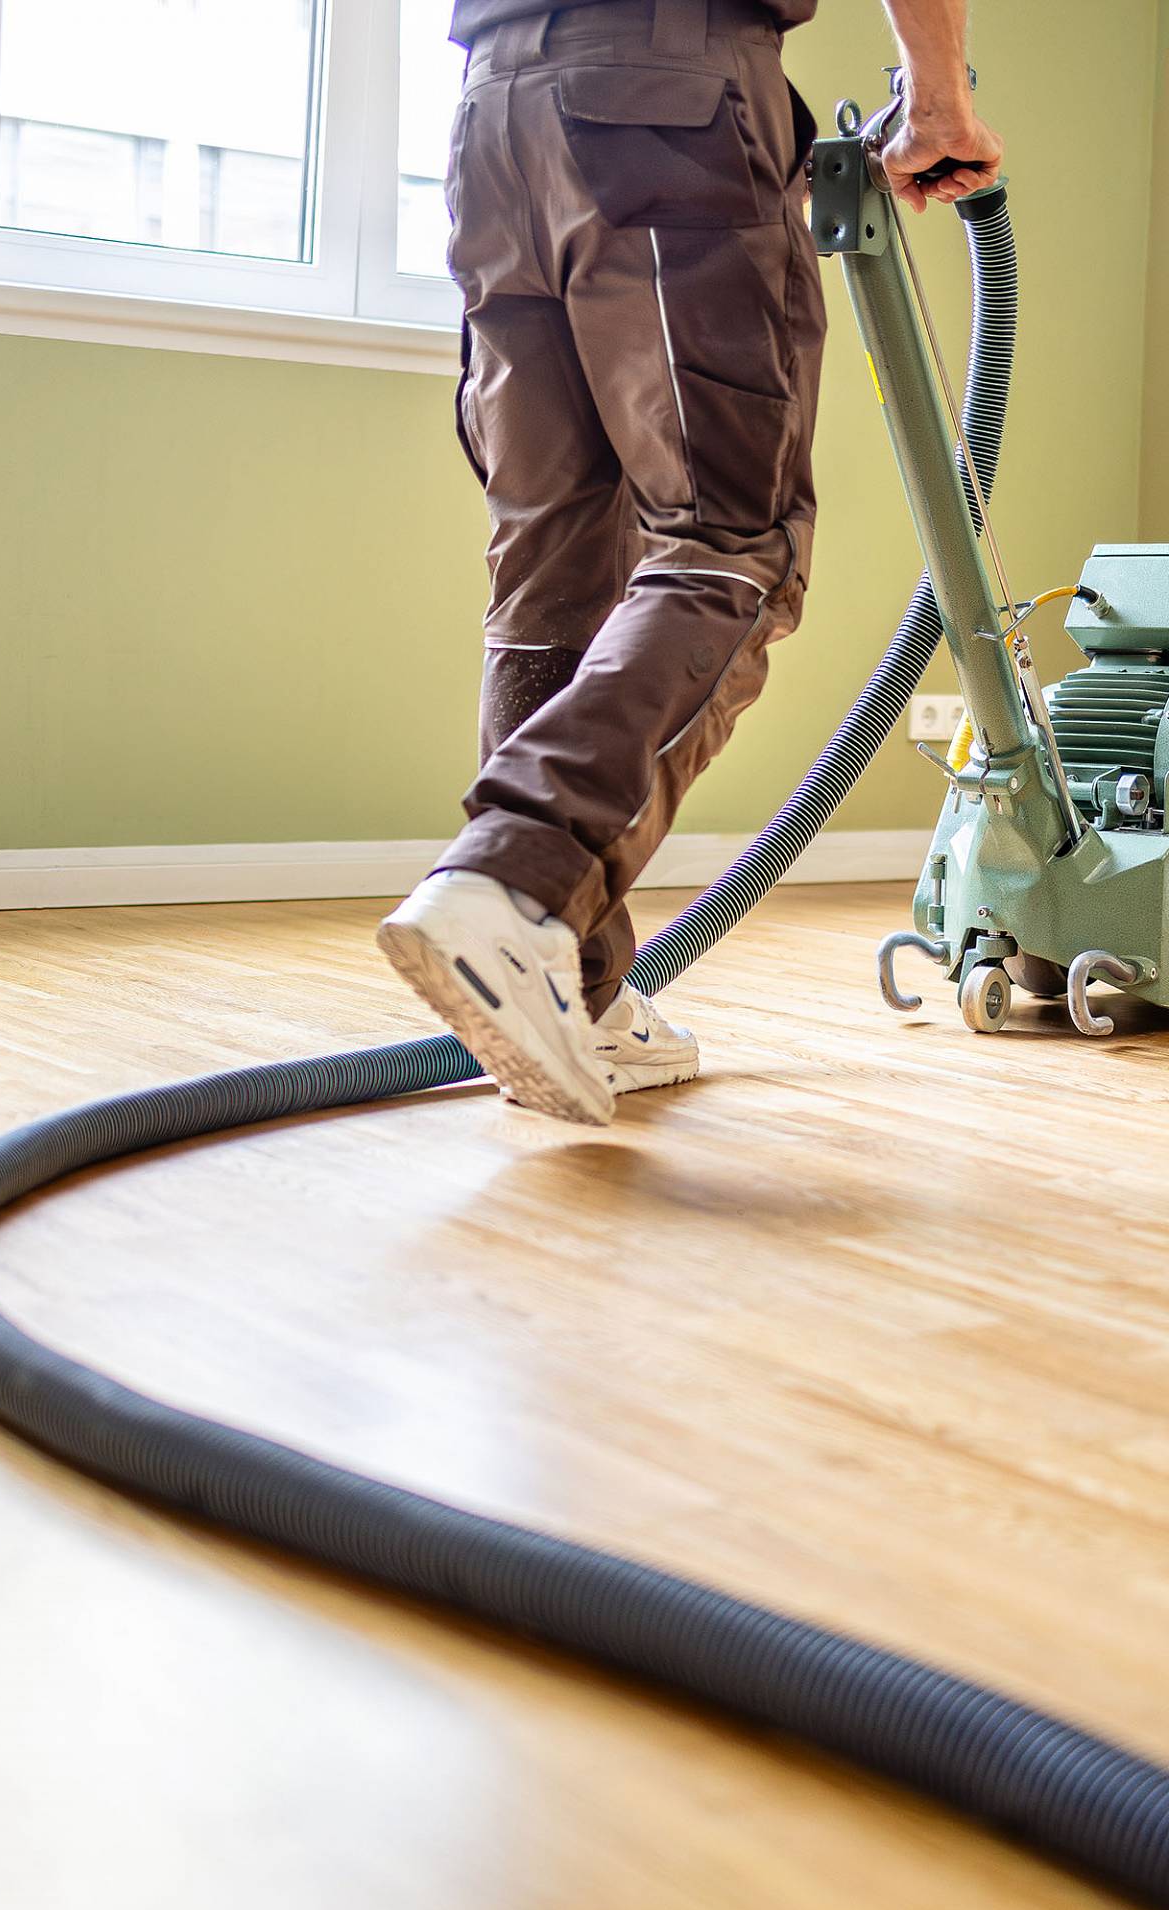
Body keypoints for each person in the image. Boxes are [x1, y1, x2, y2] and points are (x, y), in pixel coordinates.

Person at [378, 0, 1002, 1124]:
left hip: (492, 118)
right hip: (664, 105)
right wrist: (941, 96)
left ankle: (580, 992)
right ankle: (516, 884)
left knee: (547, 573)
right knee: (733, 543)